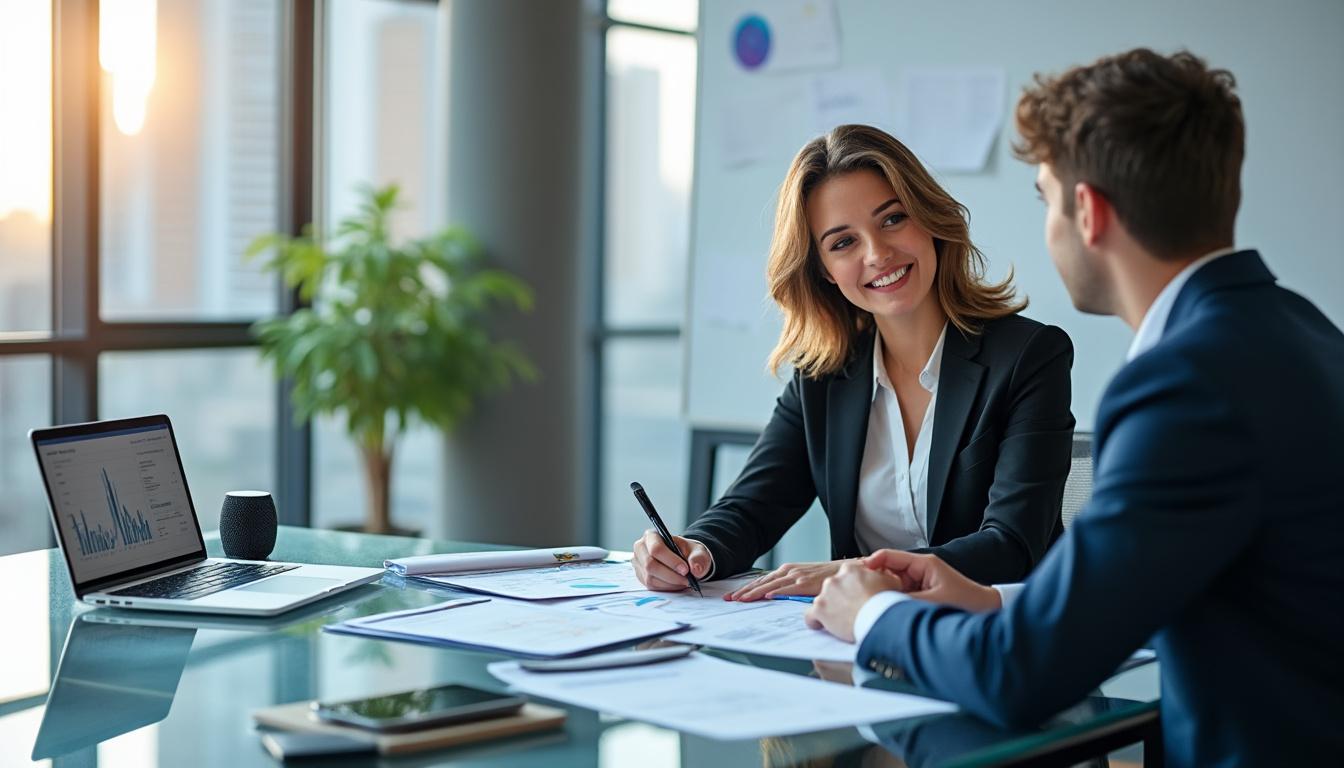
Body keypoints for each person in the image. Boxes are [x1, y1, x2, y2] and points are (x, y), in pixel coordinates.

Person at [804, 49, 1344, 765]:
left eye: (1045, 198)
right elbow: (1175, 587)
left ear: (1086, 213)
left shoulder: (1183, 385)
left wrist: (872, 614)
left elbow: (1020, 675)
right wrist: (996, 600)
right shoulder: (1302, 331)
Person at [632, 124, 1076, 598]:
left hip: (996, 638)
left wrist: (862, 572)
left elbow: (1011, 545)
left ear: (927, 218)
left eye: (892, 219)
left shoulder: (1028, 357)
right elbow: (752, 508)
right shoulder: (824, 376)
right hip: (864, 643)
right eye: (843, 242)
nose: (878, 253)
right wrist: (694, 548)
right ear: (824, 269)